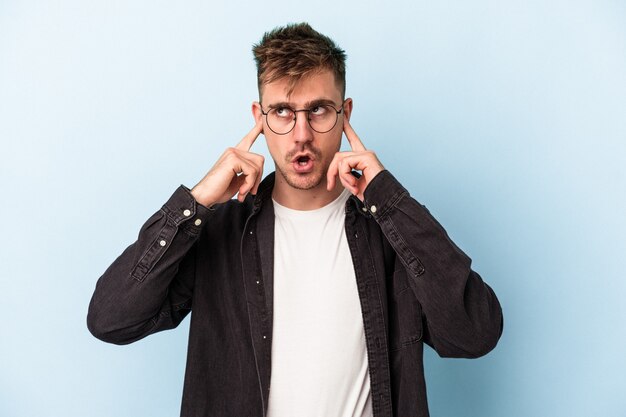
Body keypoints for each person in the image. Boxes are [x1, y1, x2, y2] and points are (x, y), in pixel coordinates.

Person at [87, 22, 503, 417]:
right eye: (283, 112)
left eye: (319, 110)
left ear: (346, 114)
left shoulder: (389, 234)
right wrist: (195, 203)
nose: (301, 133)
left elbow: (475, 332)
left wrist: (388, 198)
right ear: (259, 119)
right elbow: (111, 320)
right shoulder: (221, 234)